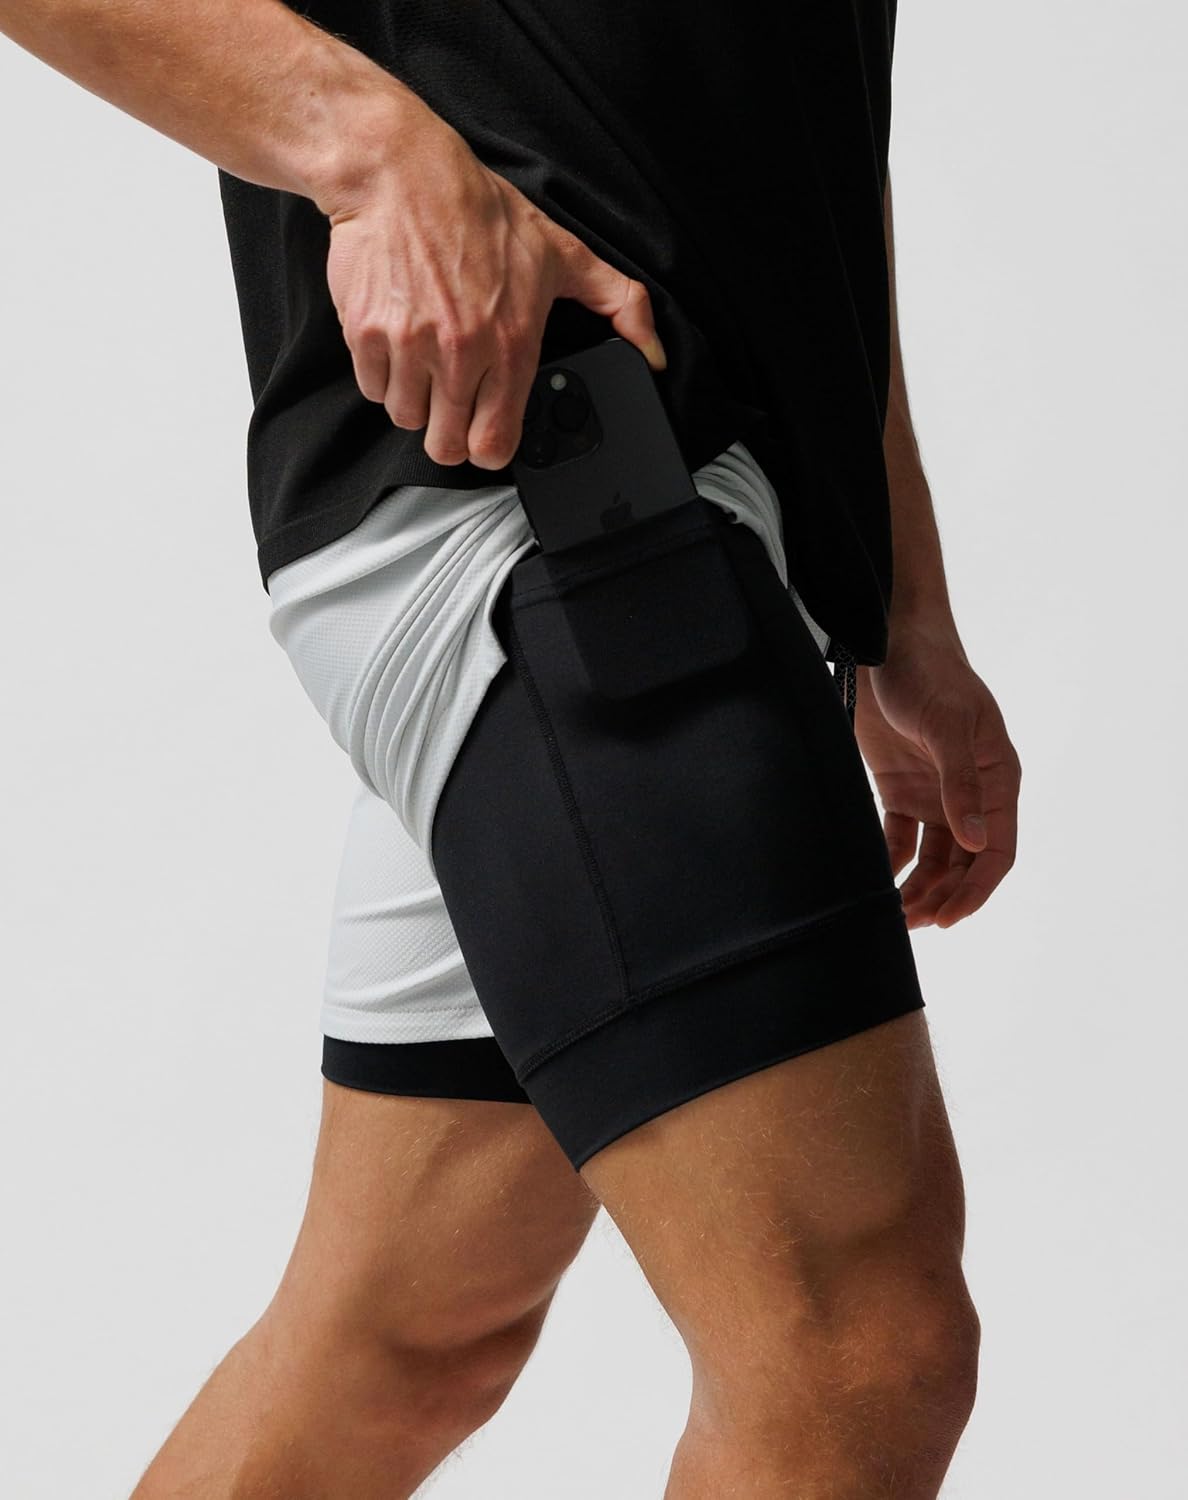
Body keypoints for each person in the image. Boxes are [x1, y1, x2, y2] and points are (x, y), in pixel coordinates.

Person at [2, 2, 1022, 1495]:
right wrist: (364, 145)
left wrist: (895, 601)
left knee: (407, 1345)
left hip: (671, 518)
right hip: (546, 480)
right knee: (860, 1348)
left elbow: (798, 118)